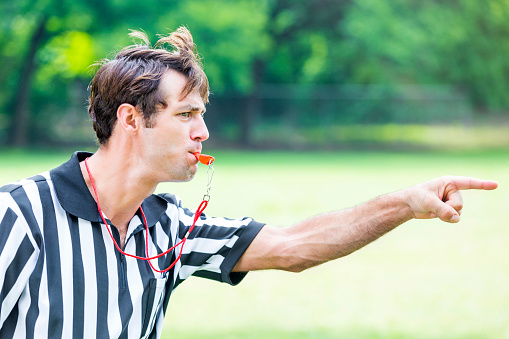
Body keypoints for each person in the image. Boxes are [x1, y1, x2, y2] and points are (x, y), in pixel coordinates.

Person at [0, 27, 498, 339]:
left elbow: (293, 247)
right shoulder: (20, 216)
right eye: (187, 114)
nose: (203, 131)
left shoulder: (169, 227)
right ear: (131, 119)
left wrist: (407, 204)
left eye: (203, 114)